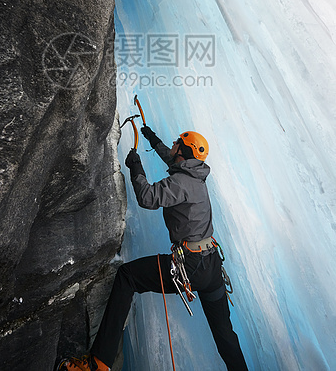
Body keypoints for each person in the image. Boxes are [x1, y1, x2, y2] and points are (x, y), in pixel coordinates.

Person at [59, 127, 248, 371]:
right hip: (211, 266)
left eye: (177, 142)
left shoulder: (182, 182)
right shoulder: (196, 176)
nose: (174, 143)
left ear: (184, 150)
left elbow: (147, 197)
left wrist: (135, 166)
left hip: (189, 266)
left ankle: (98, 364)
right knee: (225, 335)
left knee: (128, 277)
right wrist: (151, 138)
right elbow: (172, 159)